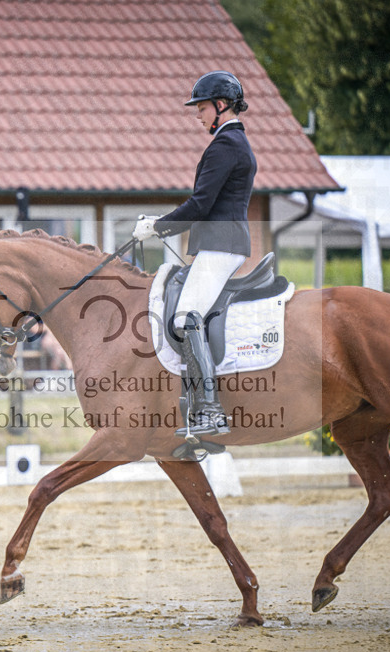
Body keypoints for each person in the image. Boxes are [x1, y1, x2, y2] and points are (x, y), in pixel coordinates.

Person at [133, 70, 257, 437]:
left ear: (221, 105)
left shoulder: (225, 145)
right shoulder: (232, 143)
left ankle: (209, 411)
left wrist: (158, 227)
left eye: (201, 108)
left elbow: (201, 204)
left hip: (222, 244)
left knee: (186, 317)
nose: (197, 116)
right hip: (222, 243)